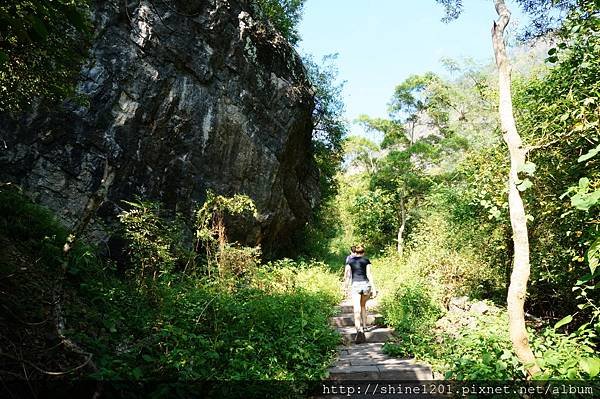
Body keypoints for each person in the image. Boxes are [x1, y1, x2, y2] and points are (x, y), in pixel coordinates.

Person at [343, 244, 377, 344]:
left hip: (356, 285)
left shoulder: (350, 261)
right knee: (363, 306)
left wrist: (345, 288)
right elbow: (369, 275)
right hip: (366, 285)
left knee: (356, 307)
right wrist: (374, 288)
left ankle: (359, 329)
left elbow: (348, 276)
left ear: (355, 252)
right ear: (363, 252)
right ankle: (365, 326)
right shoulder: (366, 260)